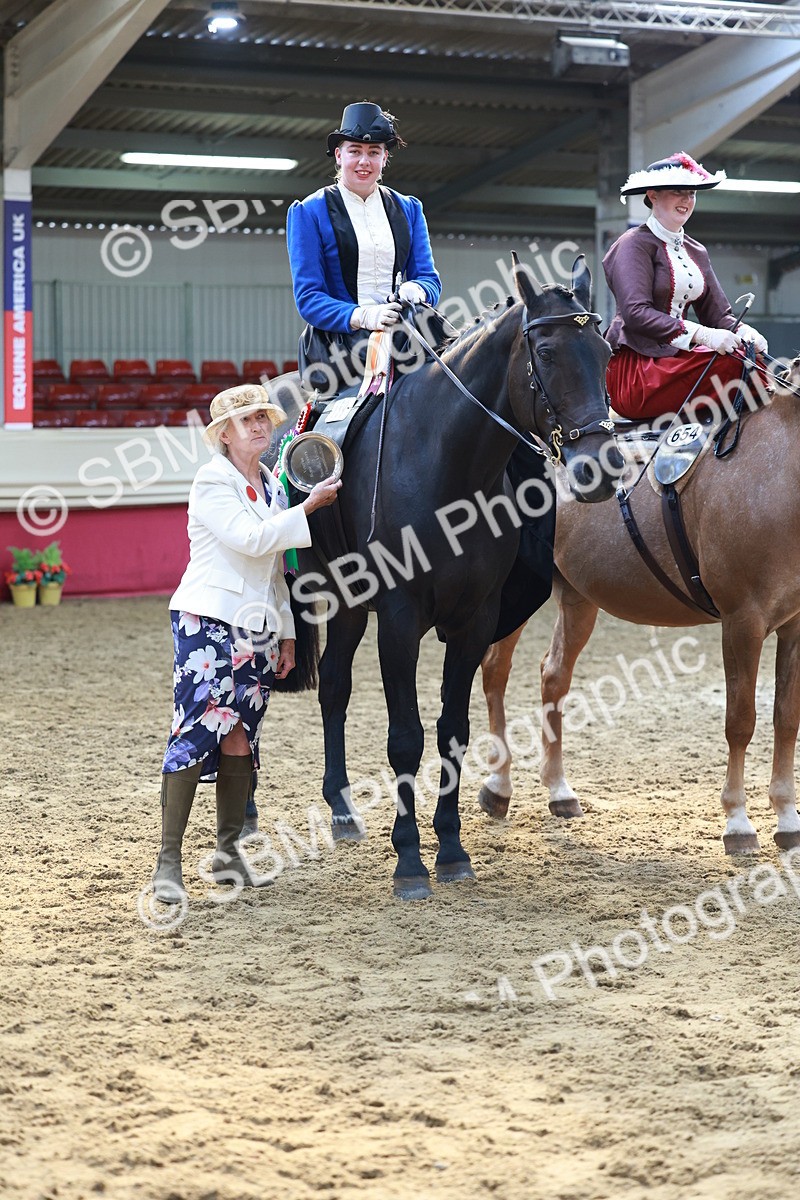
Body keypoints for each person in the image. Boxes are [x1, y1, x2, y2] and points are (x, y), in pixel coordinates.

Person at [151, 383, 341, 903]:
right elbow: (252, 539)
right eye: (247, 420)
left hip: (256, 627)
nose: (260, 426)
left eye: (263, 417)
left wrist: (285, 635)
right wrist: (312, 508)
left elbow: (275, 570)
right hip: (207, 621)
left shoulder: (272, 486)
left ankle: (226, 854)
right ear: (224, 435)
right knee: (195, 733)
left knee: (240, 737)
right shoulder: (213, 480)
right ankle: (168, 863)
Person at [286, 101, 442, 393]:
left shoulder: (409, 209)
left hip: (403, 331)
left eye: (374, 153)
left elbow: (429, 280)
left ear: (384, 159)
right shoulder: (309, 212)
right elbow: (308, 297)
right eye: (354, 151)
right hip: (340, 344)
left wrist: (415, 290)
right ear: (338, 155)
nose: (364, 162)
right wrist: (363, 316)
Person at [603, 152, 768, 421]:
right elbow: (635, 313)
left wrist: (744, 331)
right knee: (734, 363)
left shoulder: (696, 249)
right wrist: (703, 336)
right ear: (653, 195)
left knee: (752, 360)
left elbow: (718, 315)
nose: (687, 200)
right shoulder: (632, 244)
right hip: (637, 369)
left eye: (691, 193)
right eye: (678, 192)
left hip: (677, 358)